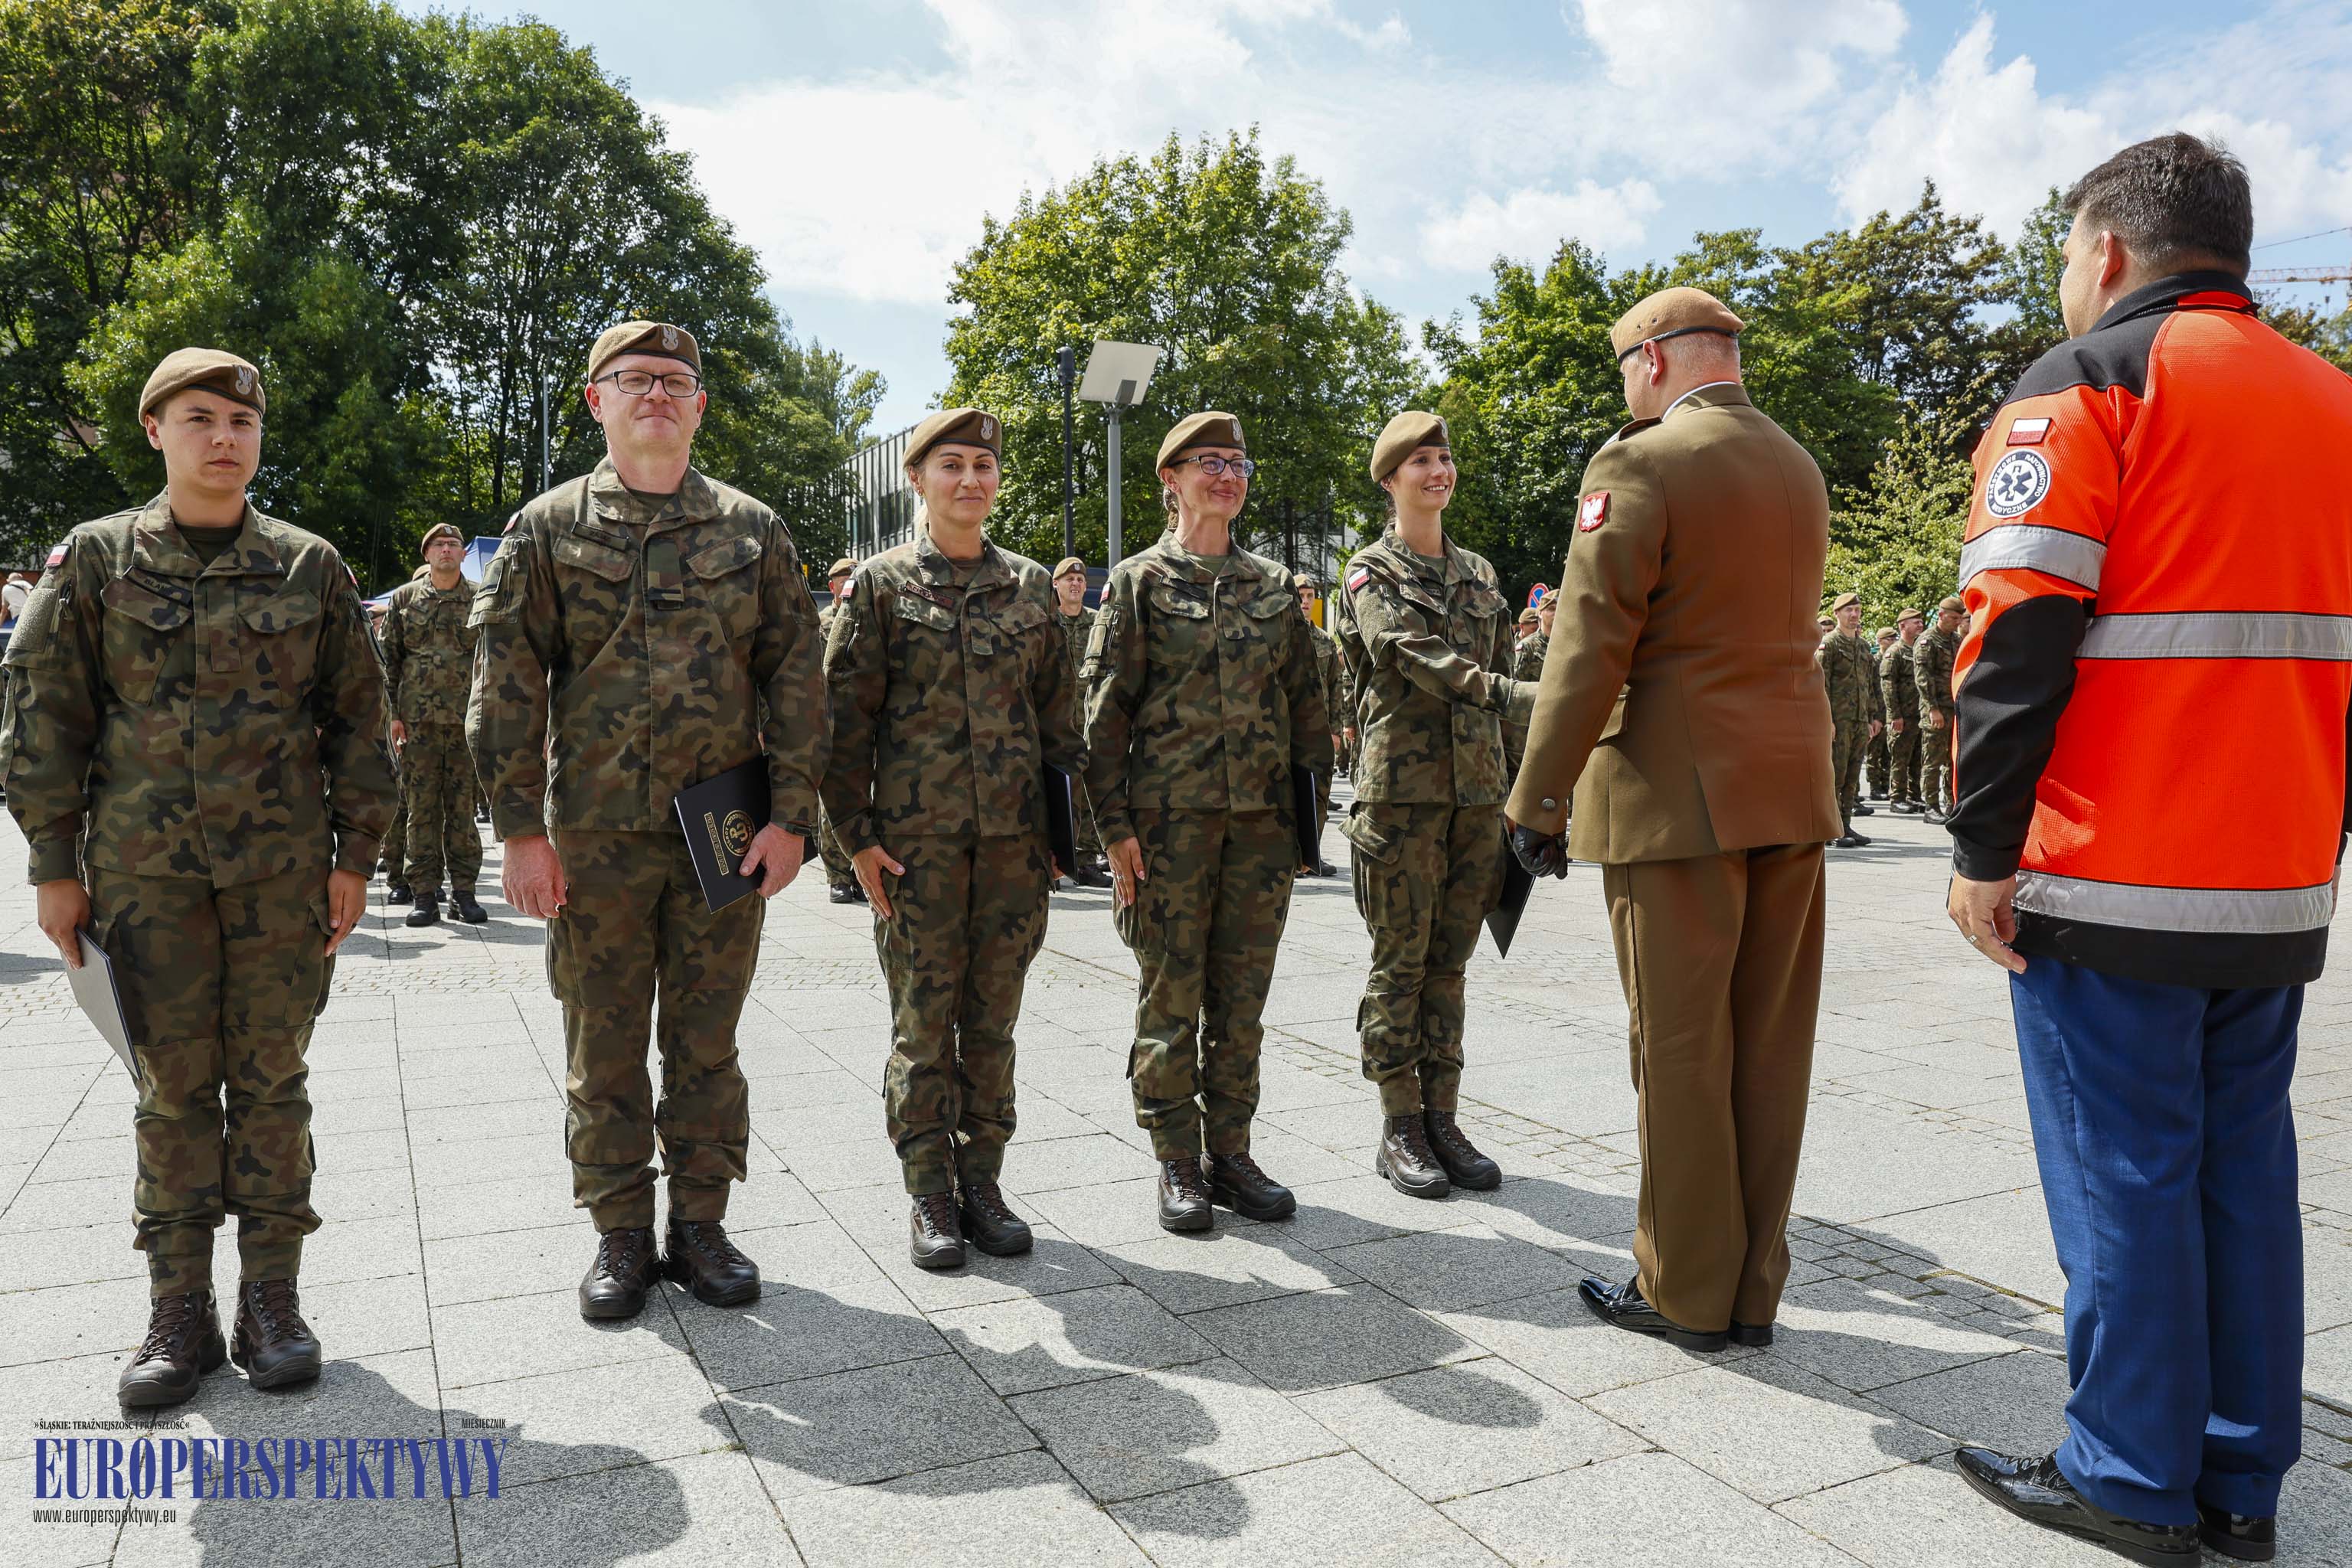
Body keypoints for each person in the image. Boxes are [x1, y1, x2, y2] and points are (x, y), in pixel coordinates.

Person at [1942, 133, 2352, 1567]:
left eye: (2064, 251)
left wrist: (1980, 844)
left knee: (2123, 1170)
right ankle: (2241, 1478)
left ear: (2107, 249)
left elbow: (2015, 628)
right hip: (2276, 868)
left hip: (2114, 866)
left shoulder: (2087, 386)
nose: (2065, 277)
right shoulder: (2333, 402)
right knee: (2241, 1171)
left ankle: (2123, 1470)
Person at [2, 348, 397, 1406]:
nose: (225, 437)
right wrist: (51, 866)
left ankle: (272, 1300)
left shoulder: (311, 567)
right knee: (170, 1091)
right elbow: (45, 720)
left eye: (241, 421)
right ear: (155, 430)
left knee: (272, 1084)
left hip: (281, 882)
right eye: (200, 417)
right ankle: (179, 1307)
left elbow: (361, 722)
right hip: (142, 880)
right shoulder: (93, 562)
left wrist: (355, 856)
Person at [468, 321, 825, 1321]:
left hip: (726, 832)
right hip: (594, 838)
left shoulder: (753, 532)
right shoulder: (546, 529)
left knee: (707, 1044)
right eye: (634, 379)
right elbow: (506, 683)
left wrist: (794, 818)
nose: (657, 394)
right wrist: (520, 830)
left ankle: (700, 1226)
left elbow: (797, 680)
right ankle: (621, 1233)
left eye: (677, 380)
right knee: (606, 1043)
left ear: (701, 404)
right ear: (597, 400)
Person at [1505, 287, 1838, 1353]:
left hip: (1674, 800)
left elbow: (1591, 646)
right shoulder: (1797, 463)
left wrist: (1537, 798)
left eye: (1623, 372)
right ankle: (1751, 1291)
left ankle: (1684, 1288)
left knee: (1682, 1046)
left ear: (1651, 361)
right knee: (1769, 1051)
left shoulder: (1640, 464)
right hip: (1790, 790)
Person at [825, 409, 1084, 1269]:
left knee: (995, 1022)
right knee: (923, 1024)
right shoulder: (881, 585)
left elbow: (1058, 722)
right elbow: (841, 727)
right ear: (918, 479)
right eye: (952, 465)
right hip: (918, 854)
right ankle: (929, 1188)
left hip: (1012, 852)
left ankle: (983, 1178)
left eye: (983, 465)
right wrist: (857, 839)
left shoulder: (1034, 586)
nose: (971, 479)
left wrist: (1063, 836)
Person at [1083, 410, 1331, 1233]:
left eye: (1238, 462)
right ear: (1172, 478)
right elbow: (1104, 714)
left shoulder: (1270, 585)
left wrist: (1305, 826)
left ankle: (1231, 1149)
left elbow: (1305, 704)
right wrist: (1113, 827)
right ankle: (1176, 1158)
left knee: (1241, 1001)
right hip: (1166, 831)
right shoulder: (1140, 581)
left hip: (1259, 829)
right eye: (1208, 462)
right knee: (1170, 994)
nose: (1227, 475)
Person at [1331, 411, 1532, 1199]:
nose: (1437, 471)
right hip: (1400, 801)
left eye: (1444, 458)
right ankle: (1399, 1124)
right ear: (1391, 481)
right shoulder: (1369, 572)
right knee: (1400, 966)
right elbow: (1407, 654)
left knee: (1449, 966)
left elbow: (1506, 674)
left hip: (1476, 797)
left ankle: (1443, 1116)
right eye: (1420, 462)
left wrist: (1526, 797)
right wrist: (1510, 695)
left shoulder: (1481, 574)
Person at [379, 524, 488, 926]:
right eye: (438, 545)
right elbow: (388, 661)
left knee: (462, 810)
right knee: (421, 811)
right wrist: (391, 715)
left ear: (463, 554)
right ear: (427, 556)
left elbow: (492, 663)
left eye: (453, 544)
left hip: (464, 723)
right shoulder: (406, 599)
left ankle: (464, 893)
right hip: (417, 724)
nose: (446, 549)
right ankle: (424, 894)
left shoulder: (479, 598)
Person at [1051, 556, 1111, 890]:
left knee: (1089, 791)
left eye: (1080, 580)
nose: (1075, 584)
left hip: (1089, 721)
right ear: (1056, 585)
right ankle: (1054, 859)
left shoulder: (1096, 623)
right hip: (1056, 723)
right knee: (1057, 792)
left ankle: (1086, 860)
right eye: (1068, 579)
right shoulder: (1047, 622)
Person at [815, 557, 867, 905]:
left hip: (864, 719)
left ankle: (861, 868)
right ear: (833, 586)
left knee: (868, 795)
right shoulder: (820, 623)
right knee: (831, 798)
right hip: (830, 718)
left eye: (854, 577)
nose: (850, 583)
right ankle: (837, 875)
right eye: (844, 579)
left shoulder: (869, 618)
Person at [1818, 592, 1879, 846]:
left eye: (1857, 610)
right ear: (1837, 614)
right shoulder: (1829, 644)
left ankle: (1845, 825)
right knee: (1836, 775)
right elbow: (1820, 684)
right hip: (1837, 721)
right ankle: (1829, 829)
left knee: (1853, 775)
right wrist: (1826, 719)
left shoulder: (1863, 646)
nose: (1854, 615)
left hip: (1859, 720)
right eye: (1848, 611)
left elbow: (1870, 684)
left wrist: (1873, 717)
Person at [1295, 570, 1342, 876]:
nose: (1305, 601)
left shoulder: (1325, 642)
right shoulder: (1281, 638)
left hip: (1321, 730)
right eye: (1300, 595)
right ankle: (1293, 857)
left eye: (1310, 596)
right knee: (1292, 795)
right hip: (1291, 730)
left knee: (1320, 793)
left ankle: (1312, 856)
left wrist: (1338, 729)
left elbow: (1336, 687)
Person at [1914, 596, 1962, 822]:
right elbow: (1923, 678)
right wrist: (1933, 709)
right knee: (1932, 759)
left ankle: (1951, 803)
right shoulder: (1927, 641)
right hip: (1935, 709)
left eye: (1959, 618)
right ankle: (1931, 806)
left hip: (1954, 708)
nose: (1956, 622)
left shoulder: (1956, 640)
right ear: (1940, 615)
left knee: (1952, 760)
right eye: (1953, 618)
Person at [1880, 609, 1925, 814]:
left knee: (1917, 757)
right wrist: (1894, 715)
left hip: (1919, 714)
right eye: (1915, 622)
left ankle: (1914, 796)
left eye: (1921, 621)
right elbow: (1888, 687)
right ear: (1902, 626)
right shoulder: (1895, 652)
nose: (1920, 625)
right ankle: (1897, 798)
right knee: (1900, 757)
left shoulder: (1918, 649)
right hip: (1903, 716)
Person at [1865, 626, 1896, 801]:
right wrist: (1874, 715)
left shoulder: (1892, 659)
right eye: (1888, 639)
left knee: (1887, 752)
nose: (1892, 642)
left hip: (1889, 712)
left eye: (1894, 639)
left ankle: (1885, 784)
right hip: (1877, 711)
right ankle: (1874, 786)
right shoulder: (1874, 661)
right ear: (1880, 641)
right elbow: (1871, 688)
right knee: (1874, 753)